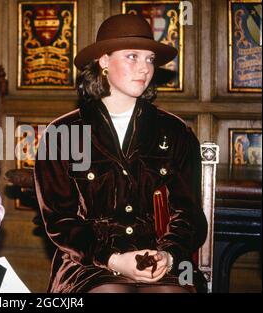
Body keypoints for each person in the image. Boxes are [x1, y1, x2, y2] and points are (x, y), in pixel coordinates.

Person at [34, 14, 208, 293]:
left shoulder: (175, 132)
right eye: (132, 57)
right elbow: (60, 222)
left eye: (150, 59)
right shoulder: (62, 133)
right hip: (90, 264)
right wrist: (113, 259)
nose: (144, 69)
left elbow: (189, 214)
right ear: (104, 61)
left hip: (161, 261)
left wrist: (168, 254)